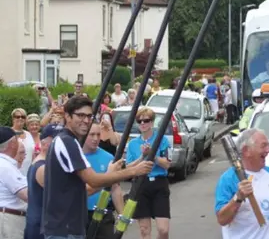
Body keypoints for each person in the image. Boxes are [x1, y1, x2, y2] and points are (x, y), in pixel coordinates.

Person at [42, 95, 154, 239]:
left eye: (89, 116)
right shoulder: (67, 142)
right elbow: (93, 180)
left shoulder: (70, 141)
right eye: (80, 115)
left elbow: (85, 186)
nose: (86, 120)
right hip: (64, 228)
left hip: (68, 226)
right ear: (68, 116)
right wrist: (134, 171)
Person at [125, 107, 172, 239]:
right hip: (141, 184)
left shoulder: (162, 140)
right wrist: (142, 157)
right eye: (139, 121)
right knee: (144, 230)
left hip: (159, 183)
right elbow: (128, 167)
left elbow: (168, 163)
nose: (143, 124)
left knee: (163, 229)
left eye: (146, 120)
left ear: (152, 122)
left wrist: (153, 156)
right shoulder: (133, 143)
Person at [85, 122, 125, 239]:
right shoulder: (75, 156)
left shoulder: (108, 157)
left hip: (103, 213)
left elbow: (115, 188)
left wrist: (122, 214)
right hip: (79, 214)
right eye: (91, 135)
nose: (95, 138)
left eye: (98, 134)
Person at [25, 124, 64, 239]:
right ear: (44, 143)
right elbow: (66, 196)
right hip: (40, 229)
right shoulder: (43, 168)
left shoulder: (46, 164)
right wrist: (105, 179)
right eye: (57, 140)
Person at [0, 127, 28, 238]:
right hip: (8, 220)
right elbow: (26, 194)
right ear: (12, 143)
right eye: (17, 139)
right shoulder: (5, 166)